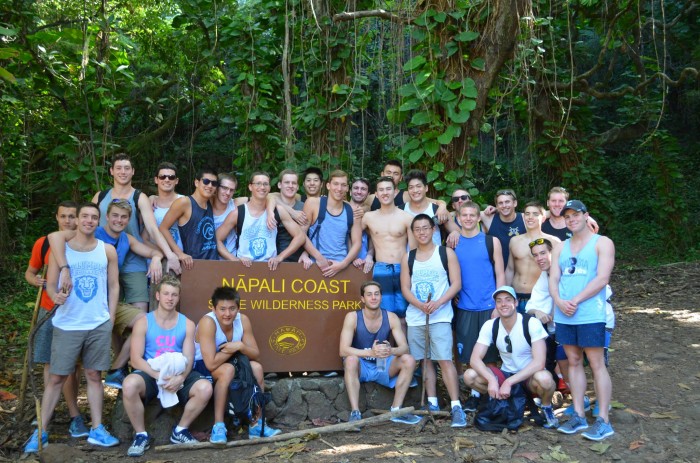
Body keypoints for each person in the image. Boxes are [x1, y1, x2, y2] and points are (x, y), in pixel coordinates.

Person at [24, 203, 120, 453]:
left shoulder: (107, 250)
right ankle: (42, 431)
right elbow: (51, 285)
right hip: (68, 323)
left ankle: (97, 429)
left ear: (99, 222)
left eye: (94, 217)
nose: (89, 221)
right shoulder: (62, 252)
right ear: (76, 220)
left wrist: (109, 318)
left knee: (94, 376)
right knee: (57, 377)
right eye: (85, 216)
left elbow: (113, 285)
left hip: (97, 322)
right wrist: (55, 296)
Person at [48, 199, 163, 389]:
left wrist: (157, 258)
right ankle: (73, 412)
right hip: (84, 304)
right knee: (72, 367)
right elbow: (54, 237)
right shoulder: (93, 232)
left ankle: (116, 369)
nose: (119, 220)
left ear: (128, 220)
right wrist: (64, 268)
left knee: (146, 321)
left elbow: (151, 251)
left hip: (109, 302)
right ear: (106, 217)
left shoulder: (126, 239)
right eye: (115, 215)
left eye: (124, 217)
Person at [121, 276, 213, 457]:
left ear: (178, 298)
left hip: (178, 373)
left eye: (174, 295)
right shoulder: (144, 322)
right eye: (166, 294)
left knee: (205, 388)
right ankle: (141, 435)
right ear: (158, 296)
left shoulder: (187, 324)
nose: (170, 298)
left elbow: (189, 358)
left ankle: (180, 431)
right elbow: (135, 359)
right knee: (129, 384)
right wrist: (158, 376)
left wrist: (180, 378)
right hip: (151, 372)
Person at [549, 200, 615, 440]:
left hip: (590, 313)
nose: (571, 219)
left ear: (586, 216)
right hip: (565, 313)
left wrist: (575, 300)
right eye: (567, 216)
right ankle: (578, 414)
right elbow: (553, 278)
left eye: (575, 214)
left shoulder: (602, 243)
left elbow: (602, 278)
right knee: (573, 361)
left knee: (596, 363)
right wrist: (558, 300)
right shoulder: (560, 247)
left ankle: (603, 420)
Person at [23, 200, 87, 438]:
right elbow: (30, 272)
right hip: (49, 310)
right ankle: (46, 415)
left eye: (72, 216)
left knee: (72, 366)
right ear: (56, 217)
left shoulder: (82, 241)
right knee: (50, 362)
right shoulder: (44, 243)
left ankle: (74, 414)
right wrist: (36, 281)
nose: (68, 221)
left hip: (76, 313)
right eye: (64, 216)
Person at [93, 153, 181, 312]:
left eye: (127, 168)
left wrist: (167, 254)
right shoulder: (100, 196)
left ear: (133, 171)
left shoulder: (140, 197)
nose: (123, 172)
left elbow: (153, 229)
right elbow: (88, 226)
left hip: (133, 258)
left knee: (140, 311)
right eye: (118, 168)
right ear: (111, 171)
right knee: (105, 310)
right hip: (102, 261)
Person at [400, 214, 465, 427]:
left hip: (441, 316)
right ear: (413, 232)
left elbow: (456, 284)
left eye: (425, 228)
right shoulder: (408, 257)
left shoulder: (445, 253)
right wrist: (420, 305)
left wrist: (438, 303)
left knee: (444, 359)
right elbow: (405, 288)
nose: (422, 232)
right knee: (425, 360)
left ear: (433, 230)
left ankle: (456, 406)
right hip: (417, 318)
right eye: (417, 229)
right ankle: (432, 402)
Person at [194, 286, 281, 442]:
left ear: (238, 308)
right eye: (222, 309)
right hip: (203, 365)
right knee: (227, 370)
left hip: (231, 359)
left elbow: (256, 354)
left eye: (232, 308)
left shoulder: (243, 320)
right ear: (213, 308)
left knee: (257, 368)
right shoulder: (208, 322)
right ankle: (218, 426)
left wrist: (240, 346)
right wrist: (233, 350)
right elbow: (211, 364)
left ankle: (257, 424)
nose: (227, 314)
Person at [463, 286, 559, 429]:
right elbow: (475, 359)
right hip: (506, 373)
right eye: (499, 301)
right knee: (469, 375)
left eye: (508, 300)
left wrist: (509, 382)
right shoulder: (490, 325)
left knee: (545, 379)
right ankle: (503, 403)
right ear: (495, 305)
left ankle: (546, 407)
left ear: (516, 302)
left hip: (529, 376)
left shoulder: (530, 323)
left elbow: (539, 362)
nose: (503, 304)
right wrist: (491, 380)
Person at [339, 281, 421, 426]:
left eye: (377, 294)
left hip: (383, 364)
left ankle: (396, 411)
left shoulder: (391, 317)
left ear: (381, 297)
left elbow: (404, 348)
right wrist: (371, 352)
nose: (373, 297)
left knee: (408, 360)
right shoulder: (352, 317)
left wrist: (391, 350)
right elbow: (343, 350)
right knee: (350, 360)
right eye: (369, 294)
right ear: (362, 299)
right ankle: (355, 413)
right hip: (362, 366)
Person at [452, 201, 505, 412]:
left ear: (478, 217)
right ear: (458, 218)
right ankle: (475, 395)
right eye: (464, 215)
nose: (468, 218)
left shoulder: (491, 242)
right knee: (468, 358)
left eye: (472, 215)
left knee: (490, 357)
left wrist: (498, 303)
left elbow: (500, 273)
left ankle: (491, 395)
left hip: (488, 306)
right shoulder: (453, 243)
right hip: (464, 307)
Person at [216, 172, 305, 268]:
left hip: (270, 268)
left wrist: (280, 257)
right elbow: (217, 239)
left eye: (265, 184)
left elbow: (300, 236)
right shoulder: (238, 213)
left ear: (269, 188)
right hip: (243, 268)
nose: (262, 187)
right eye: (258, 183)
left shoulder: (277, 211)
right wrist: (235, 260)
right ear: (250, 187)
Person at [361, 176, 416, 320]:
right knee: (383, 314)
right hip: (381, 267)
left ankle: (403, 343)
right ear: (376, 194)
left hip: (402, 268)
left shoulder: (406, 217)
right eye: (381, 190)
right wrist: (367, 254)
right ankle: (384, 343)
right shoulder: (368, 217)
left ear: (395, 191)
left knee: (404, 314)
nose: (385, 193)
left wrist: (411, 271)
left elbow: (414, 250)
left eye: (388, 189)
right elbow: (352, 236)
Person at [301, 170, 362, 277]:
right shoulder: (313, 203)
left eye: (343, 185)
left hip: (342, 266)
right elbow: (301, 234)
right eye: (336, 184)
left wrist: (343, 264)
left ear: (347, 188)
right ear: (328, 185)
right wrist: (319, 258)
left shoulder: (352, 210)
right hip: (316, 264)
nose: (339, 189)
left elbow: (357, 243)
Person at [505, 202, 560, 314]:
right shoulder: (514, 241)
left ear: (543, 218)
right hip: (515, 297)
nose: (530, 217)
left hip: (540, 299)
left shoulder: (553, 242)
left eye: (535, 214)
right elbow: (510, 270)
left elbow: (558, 273)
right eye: (527, 213)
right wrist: (505, 294)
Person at [159, 167, 220, 267]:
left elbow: (230, 199)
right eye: (206, 181)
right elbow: (163, 228)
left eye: (214, 183)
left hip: (213, 262)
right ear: (196, 183)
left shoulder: (211, 201)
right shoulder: (184, 203)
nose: (210, 186)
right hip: (193, 264)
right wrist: (179, 253)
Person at [367, 161, 449, 222]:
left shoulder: (407, 195)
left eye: (395, 173)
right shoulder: (371, 198)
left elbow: (435, 202)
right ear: (382, 174)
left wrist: (442, 206)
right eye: (388, 172)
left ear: (400, 178)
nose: (391, 176)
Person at [482, 189, 525, 267]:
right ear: (497, 206)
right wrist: (455, 232)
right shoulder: (490, 219)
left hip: (520, 273)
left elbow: (545, 213)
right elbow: (464, 213)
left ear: (515, 203)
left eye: (507, 202)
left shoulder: (524, 218)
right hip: (498, 272)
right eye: (500, 203)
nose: (504, 205)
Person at [402, 170, 445, 246]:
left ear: (426, 188)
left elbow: (455, 230)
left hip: (436, 256)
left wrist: (454, 233)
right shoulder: (401, 210)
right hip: (410, 256)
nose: (415, 190)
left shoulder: (437, 209)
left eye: (418, 186)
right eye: (411, 187)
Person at [274, 169, 307, 262]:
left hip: (300, 261)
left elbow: (311, 235)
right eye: (287, 182)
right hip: (274, 259)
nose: (290, 186)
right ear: (279, 185)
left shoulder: (304, 207)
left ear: (297, 187)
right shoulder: (271, 205)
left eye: (294, 183)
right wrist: (292, 213)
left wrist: (306, 254)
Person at [149, 162, 184, 251]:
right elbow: (144, 235)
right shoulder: (149, 203)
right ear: (156, 180)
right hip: (155, 256)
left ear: (176, 181)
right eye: (162, 177)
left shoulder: (184, 201)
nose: (167, 180)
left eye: (171, 177)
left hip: (179, 257)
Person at [349, 177, 373, 272]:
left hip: (364, 264)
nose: (359, 192)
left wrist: (370, 255)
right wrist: (353, 258)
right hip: (342, 261)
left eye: (363, 189)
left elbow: (374, 237)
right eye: (356, 188)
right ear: (350, 191)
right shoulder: (340, 209)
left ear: (368, 194)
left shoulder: (370, 213)